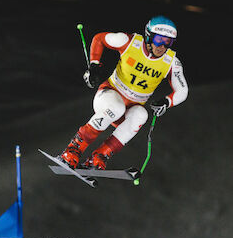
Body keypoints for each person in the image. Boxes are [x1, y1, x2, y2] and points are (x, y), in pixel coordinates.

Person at [60, 16, 189, 170]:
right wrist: (94, 65)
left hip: (128, 110)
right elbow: (99, 39)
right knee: (116, 107)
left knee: (142, 115)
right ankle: (73, 150)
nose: (162, 46)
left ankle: (99, 156)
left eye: (168, 41)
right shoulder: (129, 42)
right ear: (149, 36)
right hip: (108, 96)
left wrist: (167, 102)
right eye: (159, 39)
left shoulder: (171, 62)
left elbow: (183, 90)